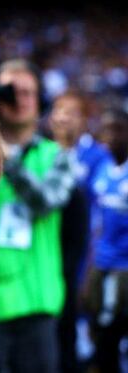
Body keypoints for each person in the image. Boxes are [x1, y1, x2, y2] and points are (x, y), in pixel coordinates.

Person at [0, 59, 77, 373]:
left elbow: (46, 202)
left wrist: (6, 160)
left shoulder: (56, 157)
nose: (18, 99)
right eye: (7, 91)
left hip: (34, 304)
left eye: (27, 92)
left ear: (40, 102)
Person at [48, 90, 111, 372]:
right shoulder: (41, 153)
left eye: (71, 112)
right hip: (47, 254)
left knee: (76, 338)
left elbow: (100, 216)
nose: (63, 117)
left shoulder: (98, 157)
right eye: (58, 110)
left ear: (85, 120)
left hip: (82, 256)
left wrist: (90, 265)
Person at [85, 107, 128, 373]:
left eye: (117, 129)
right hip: (101, 265)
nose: (110, 136)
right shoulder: (101, 169)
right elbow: (94, 221)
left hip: (125, 268)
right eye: (106, 129)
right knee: (102, 337)